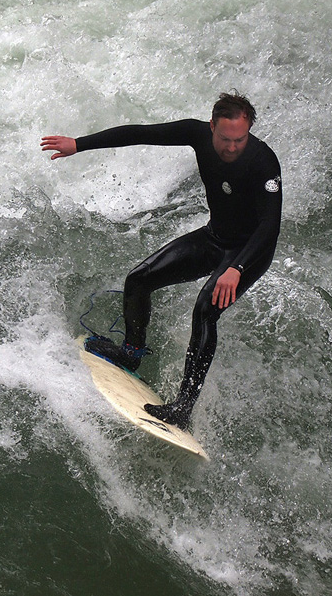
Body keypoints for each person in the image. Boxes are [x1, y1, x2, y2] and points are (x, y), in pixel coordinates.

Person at [41, 92, 281, 430]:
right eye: (225, 139)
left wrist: (236, 269)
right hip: (215, 239)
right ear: (212, 126)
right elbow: (141, 132)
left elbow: (270, 226)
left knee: (205, 309)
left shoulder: (263, 162)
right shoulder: (197, 135)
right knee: (138, 279)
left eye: (239, 139)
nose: (230, 147)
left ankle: (183, 408)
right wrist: (78, 144)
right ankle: (131, 352)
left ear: (250, 130)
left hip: (249, 254)